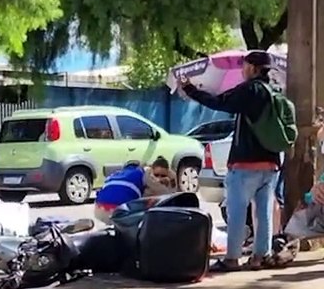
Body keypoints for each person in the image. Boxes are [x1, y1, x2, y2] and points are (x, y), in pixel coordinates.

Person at [179, 50, 281, 271]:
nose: (242, 70)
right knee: (263, 212)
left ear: (253, 68)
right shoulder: (275, 92)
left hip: (245, 163)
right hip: (271, 163)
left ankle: (232, 258)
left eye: (245, 66)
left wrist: (190, 89)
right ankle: (260, 257)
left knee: (236, 211)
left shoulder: (249, 90)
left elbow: (219, 102)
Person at [91, 157, 177, 224]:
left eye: (162, 176)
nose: (159, 178)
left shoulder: (117, 174)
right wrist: (170, 180)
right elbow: (166, 196)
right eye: (156, 175)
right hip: (120, 209)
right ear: (150, 169)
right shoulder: (144, 174)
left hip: (99, 208)